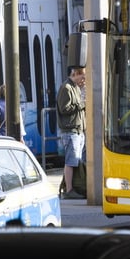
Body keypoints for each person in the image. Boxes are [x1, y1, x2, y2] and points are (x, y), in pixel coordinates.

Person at [57, 66, 86, 199]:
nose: (84, 80)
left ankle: (71, 187)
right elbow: (64, 109)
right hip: (70, 131)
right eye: (83, 77)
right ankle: (68, 190)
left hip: (77, 130)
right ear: (76, 74)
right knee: (71, 161)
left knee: (76, 161)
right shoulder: (66, 88)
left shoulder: (76, 88)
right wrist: (81, 105)